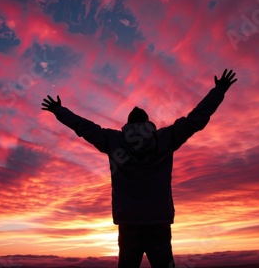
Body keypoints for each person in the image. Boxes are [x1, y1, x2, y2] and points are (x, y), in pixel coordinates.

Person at [41, 69, 237, 268]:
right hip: (158, 221)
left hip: (129, 223)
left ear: (128, 124)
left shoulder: (114, 140)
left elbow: (83, 126)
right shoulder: (165, 138)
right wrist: (219, 90)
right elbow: (196, 119)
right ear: (147, 123)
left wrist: (58, 110)